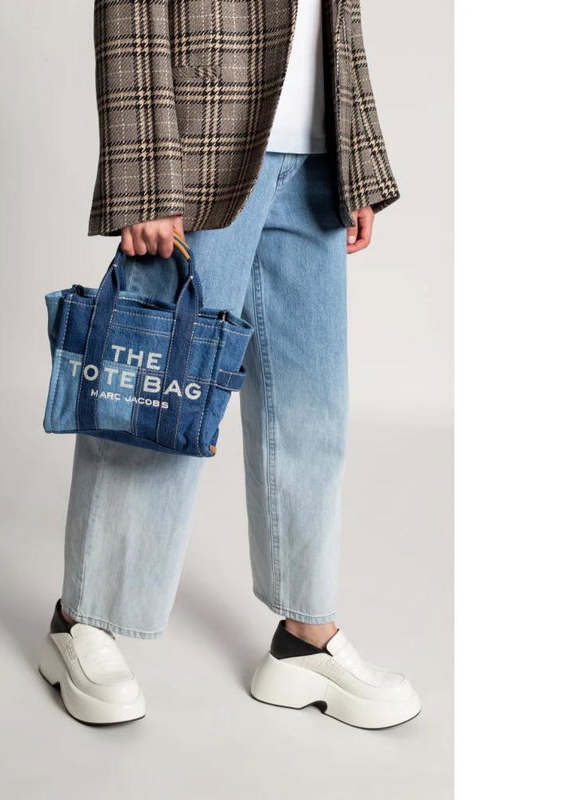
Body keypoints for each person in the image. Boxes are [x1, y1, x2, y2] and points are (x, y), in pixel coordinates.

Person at [38, 0, 421, 729]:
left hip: (316, 163)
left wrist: (360, 160)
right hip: (198, 151)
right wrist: (147, 179)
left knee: (311, 410)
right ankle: (81, 620)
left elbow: (340, 18)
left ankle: (304, 636)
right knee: (158, 397)